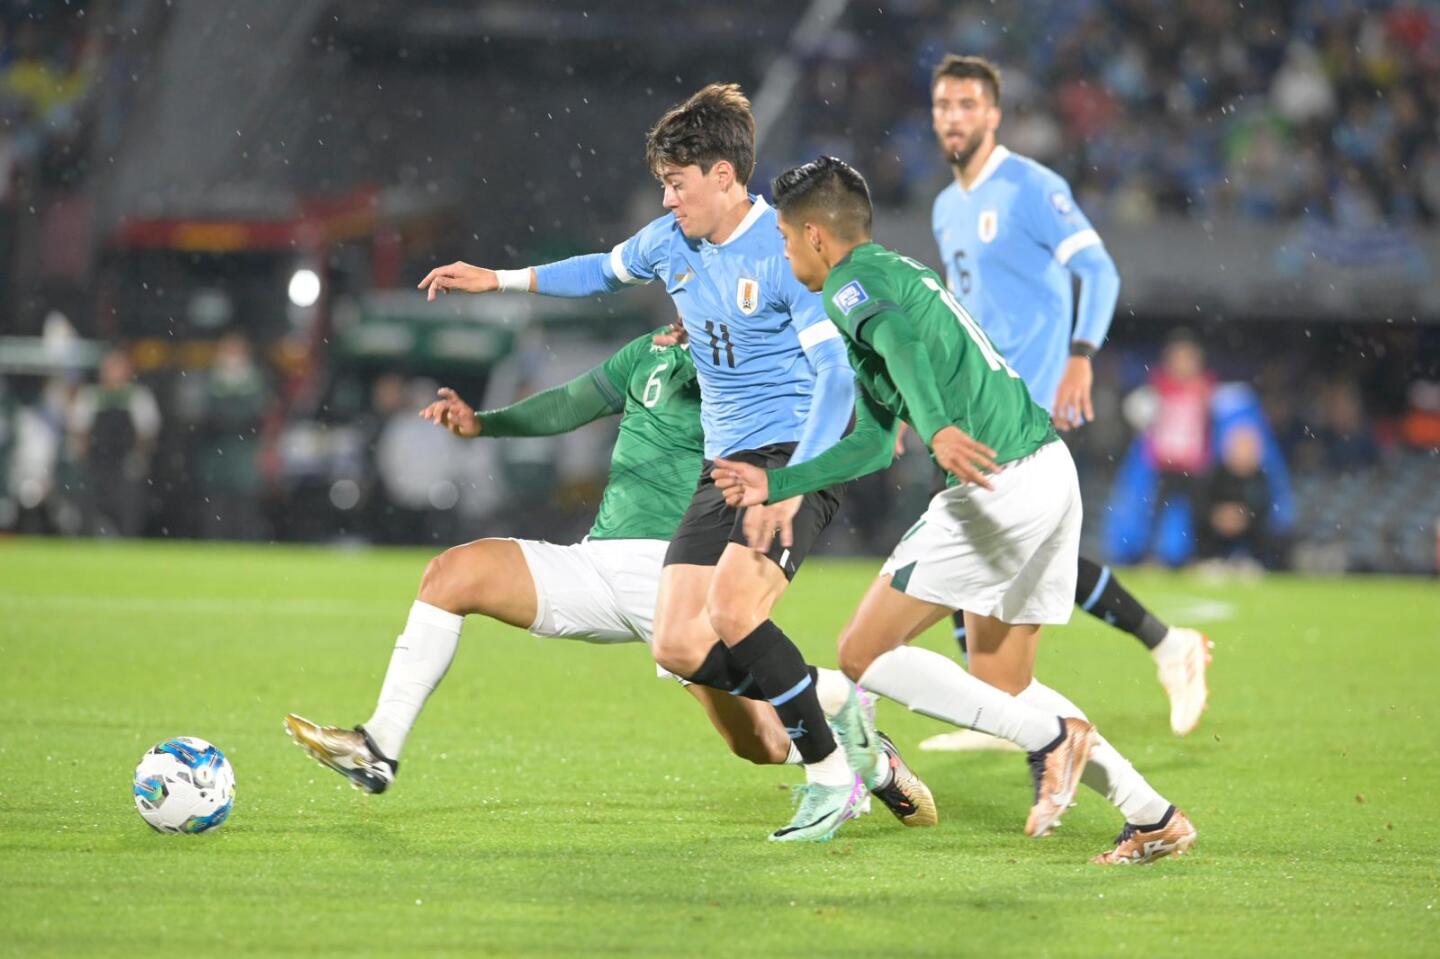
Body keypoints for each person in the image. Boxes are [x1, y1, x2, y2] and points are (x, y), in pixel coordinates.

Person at [414, 83, 917, 842]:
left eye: (677, 184)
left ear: (723, 176)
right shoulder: (669, 243)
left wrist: (793, 481)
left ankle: (829, 774)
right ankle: (844, 716)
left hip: (789, 457)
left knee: (738, 613)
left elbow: (834, 376)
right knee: (679, 644)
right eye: (662, 185)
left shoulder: (784, 251)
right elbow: (601, 270)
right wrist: (500, 279)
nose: (667, 198)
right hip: (724, 469)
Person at [714, 156, 1196, 865]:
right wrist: (782, 483)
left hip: (992, 481)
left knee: (861, 654)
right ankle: (1152, 815)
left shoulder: (850, 285)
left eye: (786, 240)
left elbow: (905, 351)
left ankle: (1052, 739)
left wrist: (936, 425)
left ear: (815, 235)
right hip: (1046, 471)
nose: (785, 256)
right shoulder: (893, 275)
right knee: (1006, 680)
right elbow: (875, 445)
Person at [285, 327, 934, 834]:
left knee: (761, 742)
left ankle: (859, 746)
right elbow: (572, 402)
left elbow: (822, 371)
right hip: (597, 563)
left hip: (680, 574)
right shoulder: (649, 352)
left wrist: (884, 404)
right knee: (451, 574)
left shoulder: (743, 363)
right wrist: (486, 422)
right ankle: (379, 746)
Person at [925, 55, 1211, 743]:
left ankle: (1151, 650)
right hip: (974, 405)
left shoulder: (1029, 186)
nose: (953, 117)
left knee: (993, 543)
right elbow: (963, 316)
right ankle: (1151, 650)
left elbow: (1098, 269)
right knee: (1002, 548)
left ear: (993, 114)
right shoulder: (944, 206)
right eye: (942, 105)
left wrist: (1080, 358)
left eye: (967, 104)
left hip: (1028, 402)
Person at [67, 347, 161, 538]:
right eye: (111, 367)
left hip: (124, 462)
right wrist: (81, 459)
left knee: (128, 512)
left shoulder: (138, 396)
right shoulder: (91, 395)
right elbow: (78, 429)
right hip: (97, 462)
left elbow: (148, 431)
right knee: (89, 509)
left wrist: (138, 458)